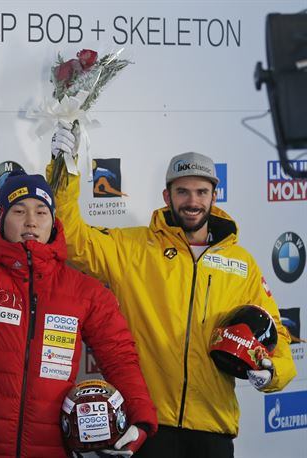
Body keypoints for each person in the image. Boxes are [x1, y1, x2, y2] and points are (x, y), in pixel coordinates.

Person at [47, 126, 297, 458]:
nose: (192, 201)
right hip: (149, 424)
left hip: (213, 428)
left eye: (201, 192)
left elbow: (275, 334)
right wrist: (67, 167)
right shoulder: (134, 247)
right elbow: (72, 237)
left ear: (214, 196)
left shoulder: (242, 262)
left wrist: (273, 373)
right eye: (182, 192)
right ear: (167, 197)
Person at [0, 155, 159, 457]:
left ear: (53, 221)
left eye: (41, 211)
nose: (31, 221)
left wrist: (140, 420)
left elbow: (120, 358)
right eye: (19, 211)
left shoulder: (85, 292)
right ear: (2, 219)